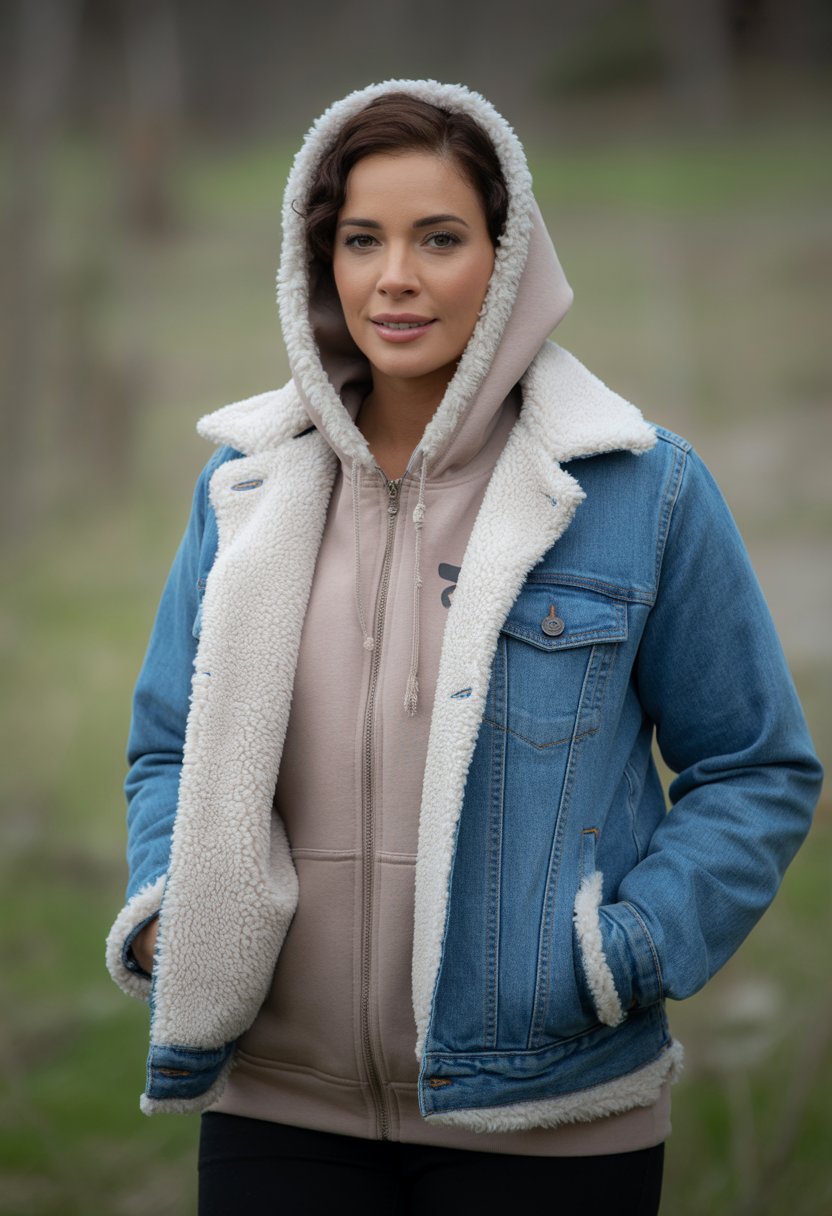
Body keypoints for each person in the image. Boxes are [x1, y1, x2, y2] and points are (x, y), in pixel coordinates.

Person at [105, 80, 822, 1215]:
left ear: (507, 258)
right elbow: (166, 748)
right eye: (361, 240)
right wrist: (169, 911)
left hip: (552, 1116)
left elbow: (755, 770)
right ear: (319, 263)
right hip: (273, 1111)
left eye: (439, 237)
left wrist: (622, 955)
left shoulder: (639, 488)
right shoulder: (244, 487)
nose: (395, 276)